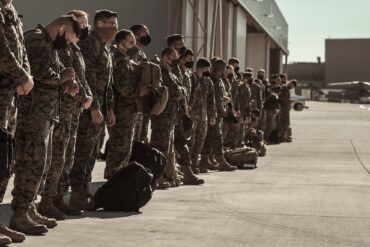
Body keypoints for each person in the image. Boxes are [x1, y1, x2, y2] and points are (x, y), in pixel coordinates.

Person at [10, 15, 80, 235]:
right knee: (31, 163)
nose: (67, 44)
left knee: (41, 164)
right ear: (61, 29)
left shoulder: (49, 44)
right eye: (68, 38)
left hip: (45, 114)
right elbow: (38, 74)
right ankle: (20, 214)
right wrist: (62, 77)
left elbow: (54, 72)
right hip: (32, 114)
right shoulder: (37, 40)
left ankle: (29, 208)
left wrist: (66, 81)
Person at [38, 10, 93, 220]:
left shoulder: (75, 49)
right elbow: (58, 76)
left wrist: (87, 97)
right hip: (60, 109)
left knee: (67, 157)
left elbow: (80, 77)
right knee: (55, 158)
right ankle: (47, 199)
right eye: (80, 25)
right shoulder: (57, 46)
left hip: (73, 111)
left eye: (85, 25)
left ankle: (59, 197)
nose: (83, 29)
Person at [69, 9, 117, 210]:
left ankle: (84, 190)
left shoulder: (105, 47)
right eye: (110, 23)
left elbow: (107, 83)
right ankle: (77, 194)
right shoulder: (90, 43)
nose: (115, 27)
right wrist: (95, 108)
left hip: (101, 110)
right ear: (98, 24)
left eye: (115, 23)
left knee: (92, 152)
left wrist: (110, 109)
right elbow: (86, 78)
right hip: (89, 109)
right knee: (83, 152)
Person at [0, 0, 34, 244]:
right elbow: (1, 49)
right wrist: (21, 75)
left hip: (10, 95)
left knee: (3, 159)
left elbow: (21, 48)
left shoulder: (10, 10)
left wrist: (27, 76)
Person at [104, 29, 151, 179]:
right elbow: (122, 87)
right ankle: (113, 178)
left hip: (129, 111)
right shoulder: (120, 62)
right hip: (121, 112)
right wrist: (139, 92)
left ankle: (119, 178)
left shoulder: (129, 62)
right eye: (131, 42)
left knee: (126, 148)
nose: (134, 45)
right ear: (120, 44)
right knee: (120, 147)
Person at [150, 47, 187, 188]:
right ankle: (156, 178)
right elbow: (176, 92)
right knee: (160, 148)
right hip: (162, 117)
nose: (176, 60)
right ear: (165, 57)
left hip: (170, 117)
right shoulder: (161, 72)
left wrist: (181, 91)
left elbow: (181, 90)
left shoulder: (171, 73)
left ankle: (168, 175)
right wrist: (181, 91)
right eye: (174, 57)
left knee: (169, 148)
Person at [200, 59, 237, 172]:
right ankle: (220, 161)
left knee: (210, 138)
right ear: (221, 68)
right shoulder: (215, 80)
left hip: (215, 112)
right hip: (215, 113)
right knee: (217, 137)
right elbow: (216, 98)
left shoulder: (217, 79)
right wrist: (222, 110)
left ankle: (204, 161)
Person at [174, 48, 204, 185]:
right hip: (175, 114)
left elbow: (190, 95)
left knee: (180, 143)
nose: (190, 62)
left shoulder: (188, 75)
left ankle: (180, 171)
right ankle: (186, 172)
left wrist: (187, 111)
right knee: (179, 143)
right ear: (181, 59)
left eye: (192, 60)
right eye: (188, 59)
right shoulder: (177, 72)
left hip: (184, 114)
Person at [188, 58, 216, 173]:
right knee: (190, 141)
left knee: (200, 140)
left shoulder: (207, 81)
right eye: (206, 69)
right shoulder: (190, 78)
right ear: (200, 68)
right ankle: (187, 166)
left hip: (203, 116)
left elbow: (211, 99)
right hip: (191, 115)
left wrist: (212, 115)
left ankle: (194, 164)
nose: (207, 71)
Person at [130, 24, 151, 144]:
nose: (148, 36)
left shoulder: (140, 51)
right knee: (130, 138)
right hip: (132, 99)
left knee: (136, 138)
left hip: (139, 99)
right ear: (136, 35)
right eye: (145, 33)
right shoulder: (132, 51)